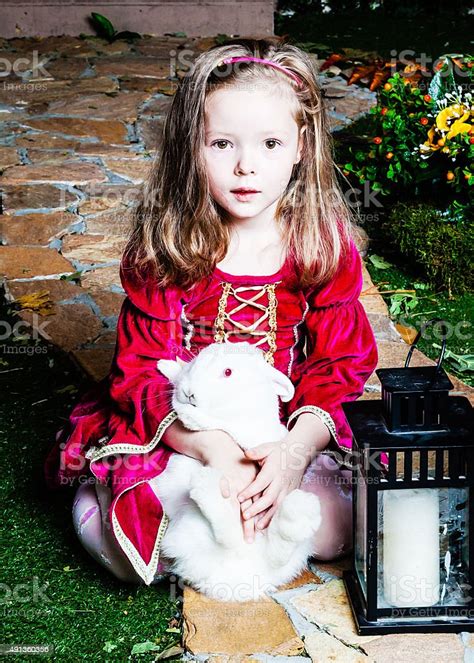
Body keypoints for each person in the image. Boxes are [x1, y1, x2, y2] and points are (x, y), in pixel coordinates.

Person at [44, 37, 379, 586]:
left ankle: (245, 525)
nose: (247, 166)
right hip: (185, 426)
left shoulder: (321, 245)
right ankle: (128, 508)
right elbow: (140, 371)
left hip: (277, 429)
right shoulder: (168, 247)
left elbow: (339, 364)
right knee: (134, 545)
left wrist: (292, 453)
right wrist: (212, 448)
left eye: (270, 143)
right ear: (190, 148)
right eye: (222, 144)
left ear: (301, 146)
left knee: (334, 531)